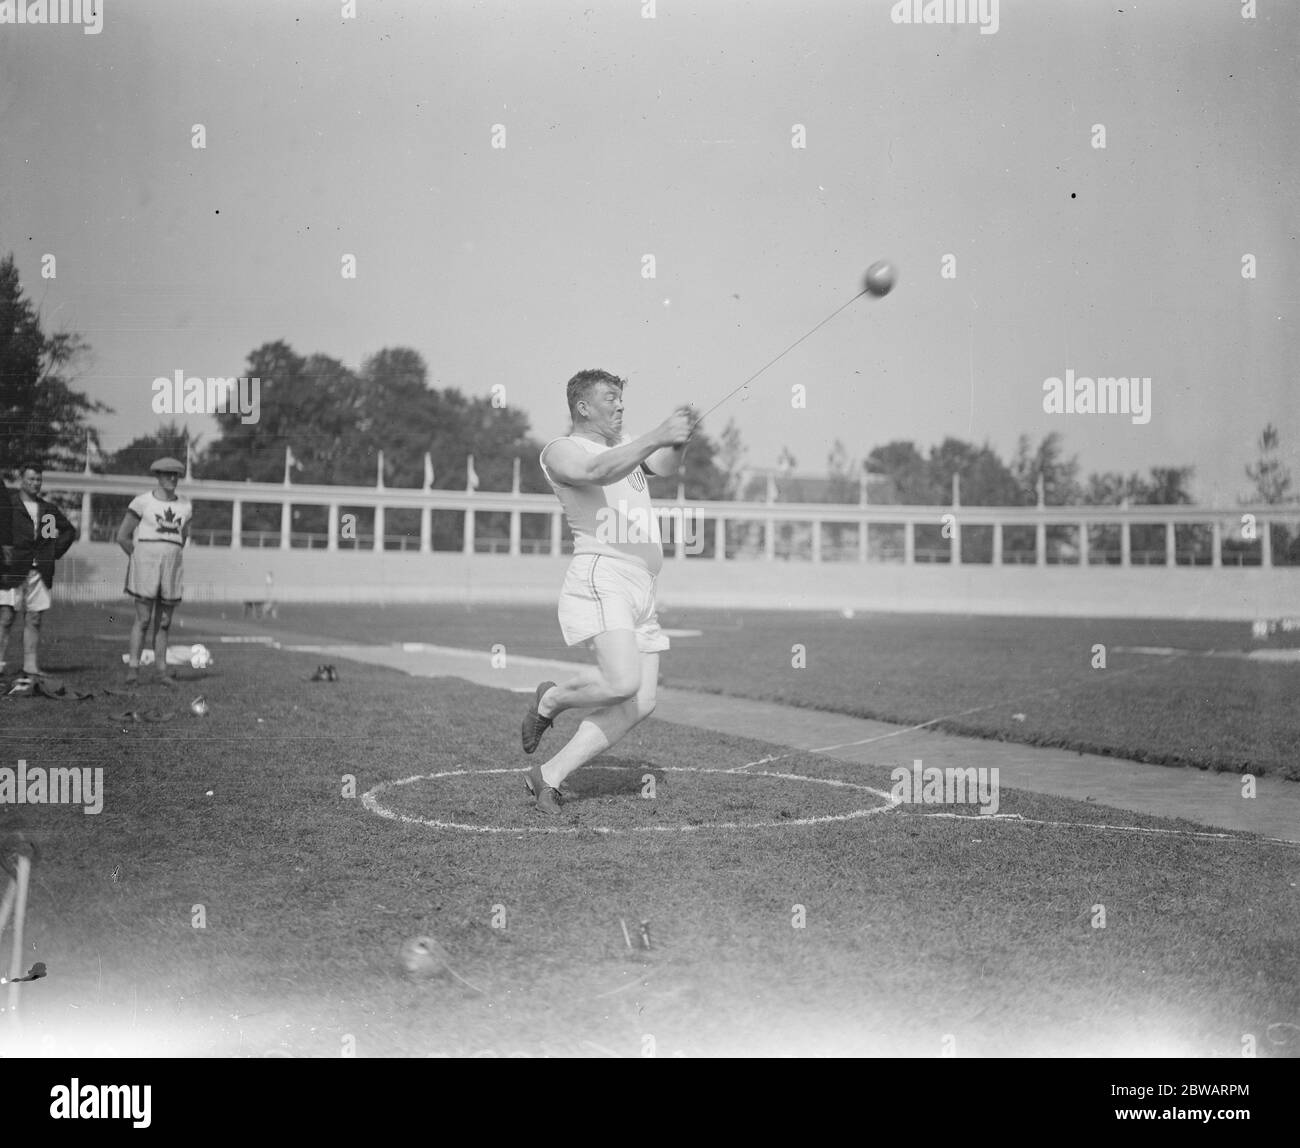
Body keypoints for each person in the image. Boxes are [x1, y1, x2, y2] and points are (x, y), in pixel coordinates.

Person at [521, 369, 694, 814]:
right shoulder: (562, 449)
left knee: (641, 701)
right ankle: (551, 698)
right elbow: (595, 470)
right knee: (622, 682)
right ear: (582, 406)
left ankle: (549, 776)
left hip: (642, 585)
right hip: (604, 572)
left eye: (621, 399)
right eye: (611, 398)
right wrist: (657, 434)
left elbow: (666, 468)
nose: (620, 406)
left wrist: (677, 441)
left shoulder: (628, 445)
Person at [116, 457, 193, 686]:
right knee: (143, 619)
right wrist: (138, 559)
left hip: (171, 568)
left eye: (175, 475)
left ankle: (161, 670)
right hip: (146, 566)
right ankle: (133, 669)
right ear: (157, 476)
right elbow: (122, 536)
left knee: (165, 622)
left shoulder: (186, 506)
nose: (171, 479)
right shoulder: (142, 502)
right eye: (167, 474)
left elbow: (183, 537)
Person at [0, 462, 78, 682]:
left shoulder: (48, 510)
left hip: (39, 572)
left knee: (34, 618)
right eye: (31, 479)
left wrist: (52, 552)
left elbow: (68, 532)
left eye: (38, 480)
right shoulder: (9, 505)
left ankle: (30, 666)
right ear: (20, 479)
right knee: (6, 617)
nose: (35, 484)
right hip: (12, 569)